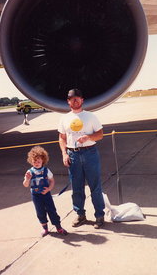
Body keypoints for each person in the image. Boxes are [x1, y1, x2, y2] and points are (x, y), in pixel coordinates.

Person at [58, 88, 105, 229]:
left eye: (78, 97)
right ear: (68, 101)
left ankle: (99, 216)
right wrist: (64, 153)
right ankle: (80, 215)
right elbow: (62, 137)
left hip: (90, 153)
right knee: (77, 188)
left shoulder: (91, 116)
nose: (75, 100)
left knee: (95, 186)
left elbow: (100, 134)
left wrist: (89, 137)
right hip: (73, 155)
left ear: (82, 100)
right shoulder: (64, 118)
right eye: (72, 98)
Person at [23, 146, 68, 237]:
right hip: (36, 196)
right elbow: (25, 185)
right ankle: (45, 228)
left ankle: (58, 227)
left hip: (46, 194)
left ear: (43, 160)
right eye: (34, 161)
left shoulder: (46, 171)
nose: (36, 163)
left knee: (52, 210)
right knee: (40, 212)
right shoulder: (30, 172)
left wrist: (49, 189)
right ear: (31, 161)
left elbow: (52, 181)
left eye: (38, 161)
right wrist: (27, 179)